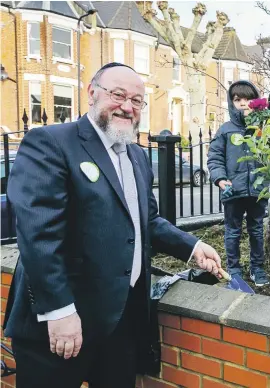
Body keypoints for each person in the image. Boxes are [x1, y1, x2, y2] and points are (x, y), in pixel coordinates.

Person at [3, 62, 224, 387]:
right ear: (92, 93)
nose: (127, 106)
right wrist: (59, 311)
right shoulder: (50, 142)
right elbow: (38, 235)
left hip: (119, 322)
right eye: (118, 95)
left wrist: (191, 247)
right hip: (61, 323)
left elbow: (146, 220)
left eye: (137, 101)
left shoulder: (136, 156)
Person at [208, 80, 269, 289]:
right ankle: (234, 270)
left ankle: (257, 267)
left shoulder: (262, 129)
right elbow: (215, 157)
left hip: (257, 191)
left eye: (248, 99)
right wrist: (220, 179)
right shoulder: (225, 130)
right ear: (231, 102)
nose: (243, 103)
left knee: (256, 230)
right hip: (233, 190)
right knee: (233, 231)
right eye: (238, 99)